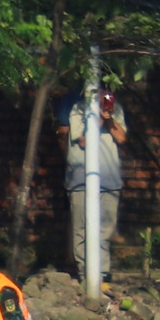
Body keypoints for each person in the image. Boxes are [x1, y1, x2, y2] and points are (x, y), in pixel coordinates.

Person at [62, 90, 127, 285]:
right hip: (81, 178)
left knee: (105, 229)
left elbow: (122, 138)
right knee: (81, 228)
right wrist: (98, 118)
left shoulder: (117, 109)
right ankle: (85, 273)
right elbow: (83, 140)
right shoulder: (78, 109)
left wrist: (109, 118)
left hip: (109, 178)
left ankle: (103, 272)